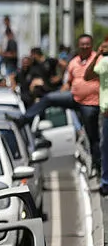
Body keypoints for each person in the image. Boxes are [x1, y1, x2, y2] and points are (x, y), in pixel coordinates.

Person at [11, 35, 101, 177]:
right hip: (74, 97)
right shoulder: (74, 62)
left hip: (90, 102)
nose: (84, 47)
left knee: (93, 135)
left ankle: (98, 165)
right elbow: (68, 83)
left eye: (87, 44)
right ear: (78, 46)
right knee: (49, 98)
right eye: (82, 44)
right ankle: (24, 119)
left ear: (92, 45)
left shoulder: (98, 60)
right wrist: (59, 92)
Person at [85, 36, 108, 192]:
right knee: (105, 147)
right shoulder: (104, 62)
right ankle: (105, 182)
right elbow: (87, 76)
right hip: (106, 112)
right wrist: (98, 55)